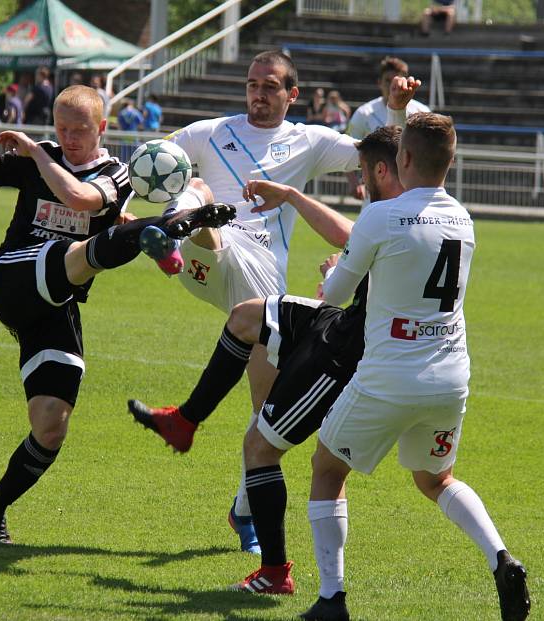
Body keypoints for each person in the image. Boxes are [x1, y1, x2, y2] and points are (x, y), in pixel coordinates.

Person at [0, 83, 236, 544]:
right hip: (15, 277)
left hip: (57, 302)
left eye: (80, 130)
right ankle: (166, 236)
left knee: (51, 425)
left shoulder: (115, 174)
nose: (69, 138)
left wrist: (158, 220)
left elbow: (83, 198)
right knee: (79, 254)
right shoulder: (36, 156)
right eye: (62, 129)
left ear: (101, 128)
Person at [129, 125, 404, 595]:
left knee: (263, 446)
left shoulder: (394, 210)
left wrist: (336, 270)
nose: (359, 179)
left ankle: (276, 572)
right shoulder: (427, 211)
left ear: (388, 168)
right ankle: (186, 421)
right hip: (342, 320)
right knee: (244, 319)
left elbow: (347, 271)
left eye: (363, 171)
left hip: (351, 344)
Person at [298, 111, 530, 621]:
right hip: (449, 378)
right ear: (450, 162)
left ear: (401, 159)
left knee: (328, 468)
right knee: (436, 480)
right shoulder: (464, 218)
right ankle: (501, 558)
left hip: (388, 378)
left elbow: (335, 296)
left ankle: (331, 599)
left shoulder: (381, 216)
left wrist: (334, 272)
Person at [130, 50, 363, 555]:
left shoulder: (309, 141)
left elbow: (373, 152)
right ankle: (172, 243)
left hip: (262, 294)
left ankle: (243, 514)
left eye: (271, 86)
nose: (259, 94)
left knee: (268, 419)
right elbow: (151, 160)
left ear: (291, 94)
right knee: (195, 187)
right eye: (253, 84)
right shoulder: (208, 132)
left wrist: (392, 111)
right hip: (206, 260)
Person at [346, 57, 429, 201]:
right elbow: (350, 149)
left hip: (411, 190)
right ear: (379, 83)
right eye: (387, 80)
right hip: (375, 192)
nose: (393, 85)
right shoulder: (364, 113)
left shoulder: (422, 112)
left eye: (398, 80)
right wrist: (354, 183)